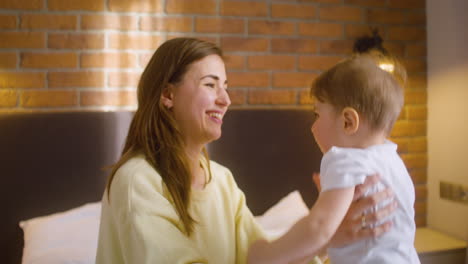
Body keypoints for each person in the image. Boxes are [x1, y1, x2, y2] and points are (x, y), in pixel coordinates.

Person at [95, 37, 397, 264]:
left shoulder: (221, 181)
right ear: (167, 94)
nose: (226, 99)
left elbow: (261, 256)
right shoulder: (137, 181)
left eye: (225, 86)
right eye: (211, 85)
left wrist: (329, 236)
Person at [248, 54, 419, 263]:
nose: (312, 127)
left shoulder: (344, 160)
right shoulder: (393, 162)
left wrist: (267, 254)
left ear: (348, 121)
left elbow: (318, 227)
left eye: (317, 115)